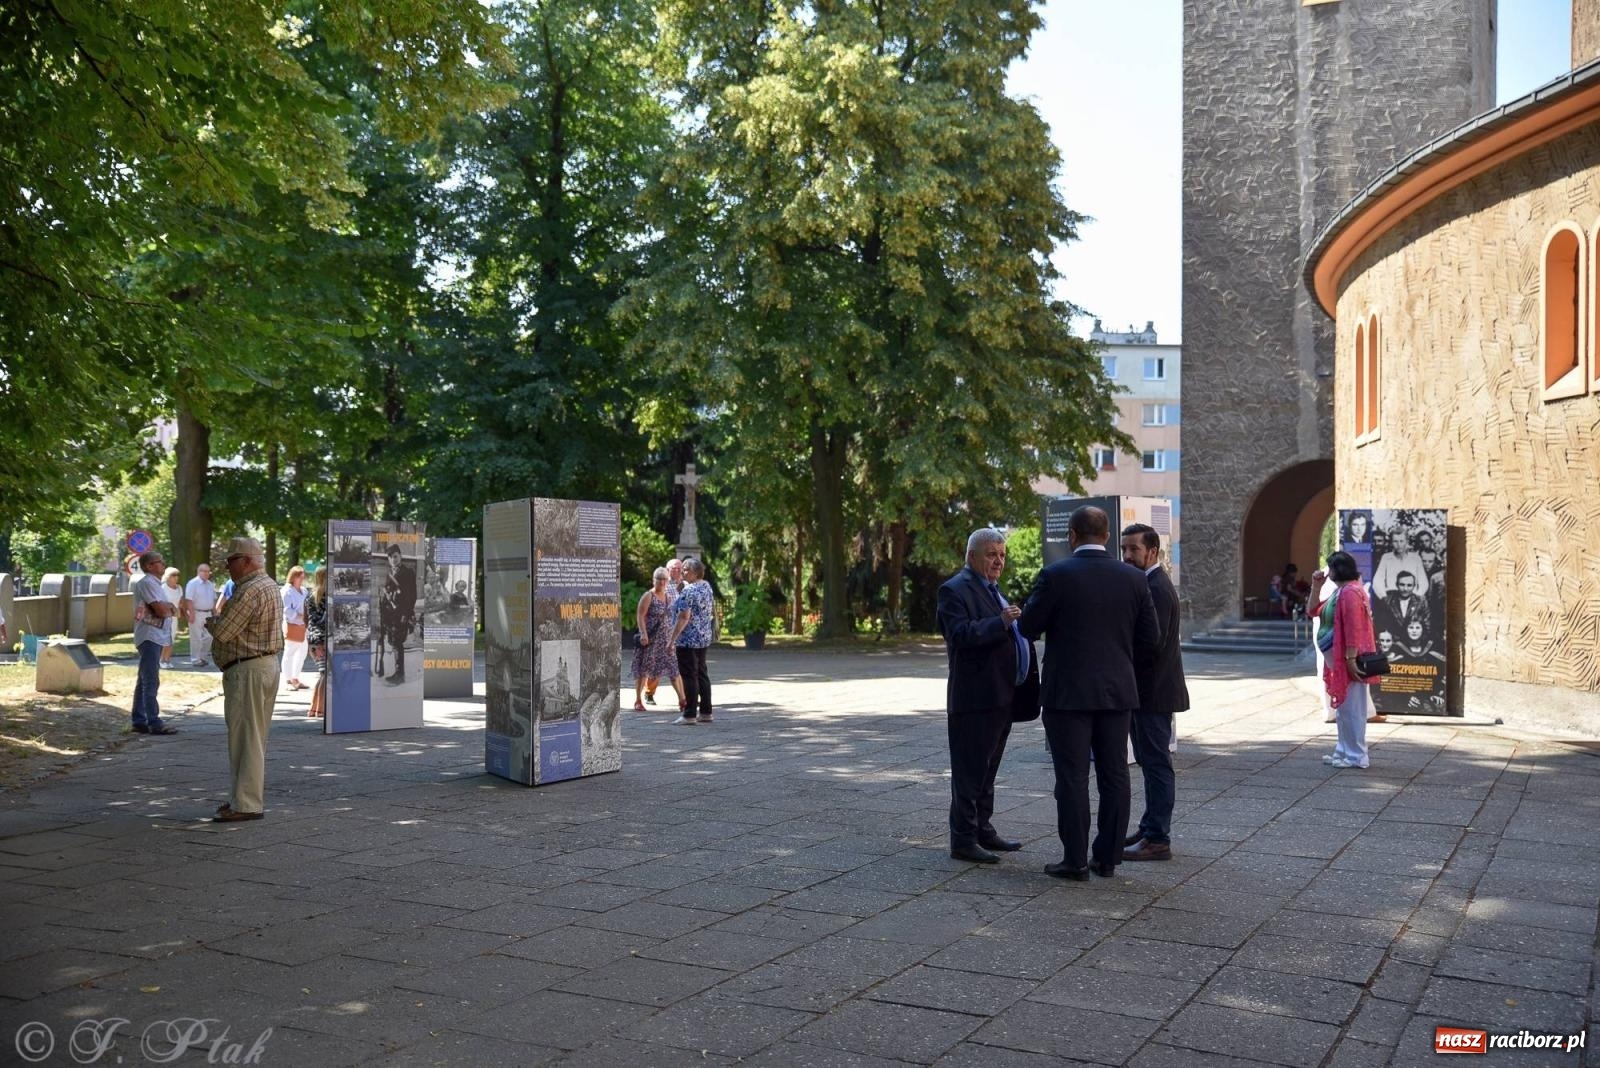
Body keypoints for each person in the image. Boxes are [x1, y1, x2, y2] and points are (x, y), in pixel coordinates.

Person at [1020, 506, 1159, 881]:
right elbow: (1151, 639)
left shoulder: (1056, 575)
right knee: (1115, 775)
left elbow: (1028, 626)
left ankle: (1074, 860)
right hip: (1117, 693)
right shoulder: (1133, 579)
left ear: (1072, 535)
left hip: (1067, 694)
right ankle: (1108, 858)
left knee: (1072, 777)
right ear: (1108, 536)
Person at [936, 527, 1038, 865]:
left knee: (988, 769)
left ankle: (983, 828)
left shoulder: (993, 589)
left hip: (1001, 695)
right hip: (975, 698)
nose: (999, 561)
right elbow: (961, 634)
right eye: (992, 554)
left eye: (1002, 555)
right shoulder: (954, 590)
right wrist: (1000, 622)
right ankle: (962, 839)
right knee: (969, 771)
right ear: (972, 556)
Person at [1119, 523, 1189, 862]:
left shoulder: (1156, 588)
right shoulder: (1148, 584)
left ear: (1153, 552)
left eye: (1134, 549)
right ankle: (1150, 828)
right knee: (1150, 761)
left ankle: (1158, 838)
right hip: (1148, 691)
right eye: (1124, 549)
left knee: (1157, 764)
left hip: (1153, 693)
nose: (1128, 556)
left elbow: (1151, 645)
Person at [206, 537, 284, 821]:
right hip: (263, 666)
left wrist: (212, 621)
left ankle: (246, 804)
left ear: (247, 561)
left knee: (245, 740)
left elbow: (224, 631)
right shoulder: (269, 585)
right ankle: (241, 799)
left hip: (248, 670)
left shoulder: (249, 590)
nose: (228, 567)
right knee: (252, 738)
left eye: (231, 561)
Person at [1312, 550, 1377, 770]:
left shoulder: (1350, 592)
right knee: (1344, 709)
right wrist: (1316, 587)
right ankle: (1343, 751)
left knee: (1352, 710)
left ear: (1337, 569)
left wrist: (1350, 658)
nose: (1327, 572)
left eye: (1330, 568)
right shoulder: (1341, 591)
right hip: (1339, 659)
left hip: (1348, 658)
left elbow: (1353, 628)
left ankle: (1356, 756)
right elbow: (1313, 611)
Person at [130, 550, 178, 734]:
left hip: (155, 635)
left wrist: (169, 608)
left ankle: (139, 720)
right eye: (160, 562)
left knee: (144, 678)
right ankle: (154, 722)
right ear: (149, 566)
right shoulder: (148, 583)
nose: (163, 564)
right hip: (149, 635)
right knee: (151, 679)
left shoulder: (156, 584)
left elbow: (168, 608)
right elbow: (161, 610)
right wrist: (169, 608)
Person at [631, 567, 684, 712]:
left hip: (666, 640)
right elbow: (640, 616)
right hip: (650, 640)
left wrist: (673, 638)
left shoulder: (669, 597)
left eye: (664, 579)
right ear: (653, 580)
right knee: (644, 670)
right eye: (659, 579)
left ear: (668, 581)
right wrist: (643, 634)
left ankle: (682, 699)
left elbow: (673, 617)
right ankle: (638, 700)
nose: (661, 582)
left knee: (674, 669)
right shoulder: (648, 595)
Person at [669, 557, 714, 724]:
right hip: (703, 637)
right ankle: (706, 712)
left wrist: (672, 640)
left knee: (689, 676)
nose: (682, 572)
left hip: (687, 639)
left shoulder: (689, 591)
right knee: (702, 673)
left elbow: (683, 617)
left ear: (695, 573)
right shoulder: (706, 586)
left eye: (686, 569)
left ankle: (689, 714)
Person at [644, 557, 685, 705]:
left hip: (682, 629)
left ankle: (684, 696)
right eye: (674, 568)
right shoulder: (663, 585)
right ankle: (649, 692)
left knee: (680, 664)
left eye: (680, 568)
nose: (678, 571)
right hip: (663, 630)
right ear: (668, 570)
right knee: (656, 663)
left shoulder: (685, 585)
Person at [378, 544, 417, 686]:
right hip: (389, 615)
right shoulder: (390, 573)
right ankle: (397, 672)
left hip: (401, 614)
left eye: (395, 556)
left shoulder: (408, 573)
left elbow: (411, 596)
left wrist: (406, 615)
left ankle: (400, 675)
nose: (393, 559)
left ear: (400, 556)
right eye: (390, 557)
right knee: (392, 642)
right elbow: (389, 593)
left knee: (397, 642)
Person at [1371, 529, 1424, 600]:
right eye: (1395, 541)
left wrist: (1417, 597)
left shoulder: (1416, 558)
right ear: (1391, 543)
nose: (1399, 545)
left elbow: (1424, 582)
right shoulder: (1386, 558)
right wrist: (1384, 597)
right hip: (1392, 600)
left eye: (1401, 541)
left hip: (1412, 599)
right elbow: (1377, 582)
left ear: (1407, 542)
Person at [305, 567, 329, 718]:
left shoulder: (310, 596)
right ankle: (320, 709)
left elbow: (308, 620)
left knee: (322, 674)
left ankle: (314, 709)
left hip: (314, 640)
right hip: (323, 639)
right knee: (325, 674)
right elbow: (325, 620)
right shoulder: (326, 596)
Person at [183, 563, 218, 667]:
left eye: (208, 571)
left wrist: (215, 613)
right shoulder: (193, 583)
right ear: (199, 572)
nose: (207, 573)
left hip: (208, 613)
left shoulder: (210, 584)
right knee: (196, 637)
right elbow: (188, 599)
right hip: (196, 612)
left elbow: (213, 600)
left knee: (209, 637)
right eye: (204, 571)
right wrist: (191, 613)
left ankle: (202, 657)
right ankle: (195, 659)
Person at [280, 565, 308, 691]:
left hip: (304, 625)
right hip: (292, 624)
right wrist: (299, 615)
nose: (302, 579)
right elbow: (286, 610)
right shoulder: (286, 591)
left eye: (303, 577)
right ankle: (288, 680)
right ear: (294, 577)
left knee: (302, 652)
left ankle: (295, 677)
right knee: (290, 652)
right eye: (300, 577)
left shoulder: (304, 590)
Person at [1380, 570, 1429, 637]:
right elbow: (1382, 625)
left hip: (1414, 642)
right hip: (1393, 643)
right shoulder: (1387, 601)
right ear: (1396, 585)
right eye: (1402, 585)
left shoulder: (1421, 601)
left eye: (1409, 585)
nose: (1405, 589)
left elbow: (1427, 625)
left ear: (1414, 586)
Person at [159, 567, 184, 666]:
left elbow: (180, 601)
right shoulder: (162, 588)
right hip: (164, 617)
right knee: (164, 639)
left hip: (174, 617)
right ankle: (161, 660)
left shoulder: (179, 588)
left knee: (172, 639)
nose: (176, 577)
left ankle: (167, 660)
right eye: (173, 575)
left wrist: (180, 609)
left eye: (177, 575)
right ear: (168, 577)